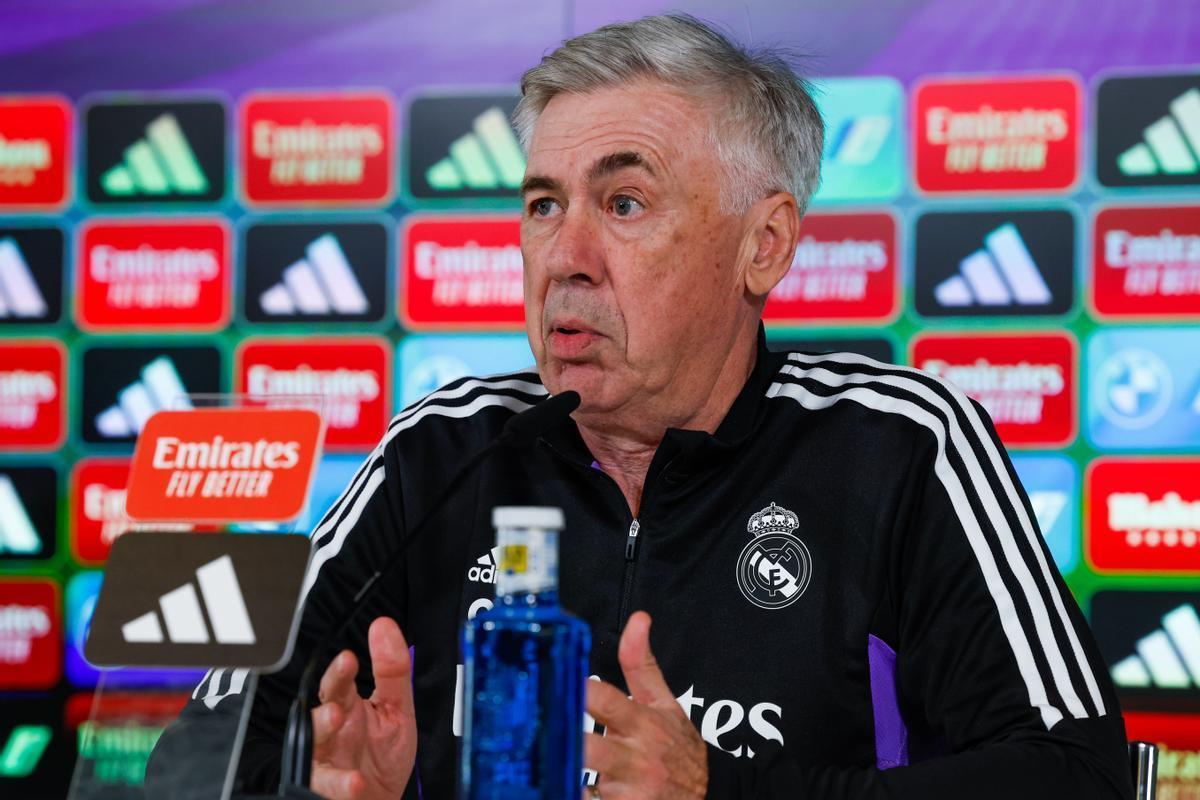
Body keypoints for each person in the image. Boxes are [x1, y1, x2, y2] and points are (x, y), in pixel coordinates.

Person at [152, 14, 1132, 799]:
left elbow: (1077, 773)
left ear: (766, 243)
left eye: (623, 204)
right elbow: (196, 753)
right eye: (542, 204)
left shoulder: (897, 447)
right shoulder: (443, 451)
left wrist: (719, 791)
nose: (564, 255)